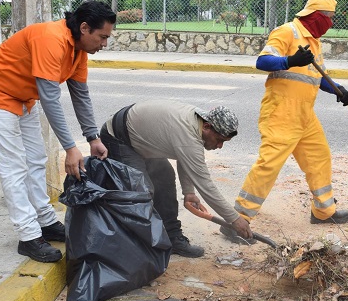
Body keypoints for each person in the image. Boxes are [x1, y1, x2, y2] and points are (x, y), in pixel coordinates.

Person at [0, 1, 115, 263]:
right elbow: (50, 99)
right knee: (14, 168)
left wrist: (92, 137)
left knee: (36, 159)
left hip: (23, 99)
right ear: (84, 28)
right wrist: (70, 148)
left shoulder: (78, 50)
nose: (105, 43)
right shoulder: (51, 39)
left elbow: (80, 95)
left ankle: (45, 222)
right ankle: (28, 236)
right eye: (102, 36)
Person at [233, 0, 348, 227]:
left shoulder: (314, 42)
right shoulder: (287, 31)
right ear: (316, 16)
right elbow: (263, 61)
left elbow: (317, 78)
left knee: (319, 158)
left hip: (305, 115)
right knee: (269, 165)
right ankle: (238, 220)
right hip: (281, 112)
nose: (331, 23)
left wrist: (339, 90)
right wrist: (290, 60)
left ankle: (323, 211)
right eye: (329, 18)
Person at [100, 101, 253, 257]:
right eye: (219, 139)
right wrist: (235, 219)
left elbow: (185, 157)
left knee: (164, 175)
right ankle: (135, 249)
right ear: (207, 127)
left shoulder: (198, 122)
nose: (220, 145)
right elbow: (206, 186)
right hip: (118, 136)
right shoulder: (188, 136)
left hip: (140, 136)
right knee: (141, 191)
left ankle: (173, 238)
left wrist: (189, 192)